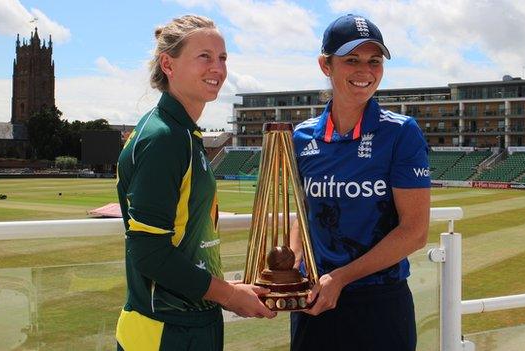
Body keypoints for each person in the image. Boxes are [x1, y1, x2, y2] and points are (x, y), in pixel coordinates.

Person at [115, 15, 275, 351]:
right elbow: (149, 253)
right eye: (204, 56)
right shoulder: (163, 138)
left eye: (223, 58)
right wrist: (230, 295)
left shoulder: (186, 134)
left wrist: (226, 289)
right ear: (168, 65)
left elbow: (188, 239)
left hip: (193, 320)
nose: (217, 68)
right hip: (164, 331)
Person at [290, 14, 431, 351]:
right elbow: (303, 212)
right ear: (326, 65)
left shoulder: (401, 132)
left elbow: (415, 231)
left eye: (374, 61)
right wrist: (293, 267)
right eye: (351, 60)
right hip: (315, 303)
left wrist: (341, 278)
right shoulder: (301, 137)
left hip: (380, 303)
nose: (365, 71)